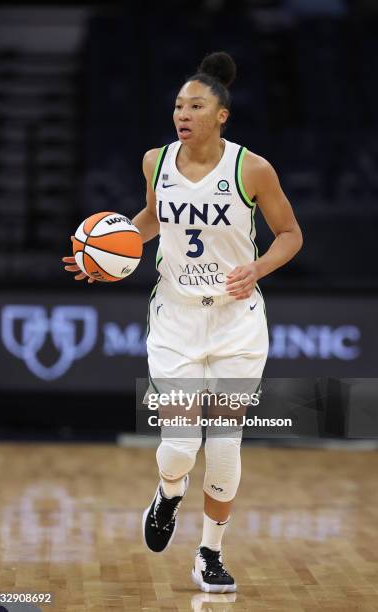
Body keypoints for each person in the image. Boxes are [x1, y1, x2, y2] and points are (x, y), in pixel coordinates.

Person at [62, 51, 303, 593]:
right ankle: (168, 493)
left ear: (221, 115)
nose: (183, 114)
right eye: (178, 105)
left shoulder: (252, 168)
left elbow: (290, 234)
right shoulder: (156, 160)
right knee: (178, 445)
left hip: (236, 322)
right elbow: (152, 218)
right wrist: (102, 254)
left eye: (196, 105)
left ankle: (209, 554)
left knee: (222, 447)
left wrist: (257, 267)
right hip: (175, 319)